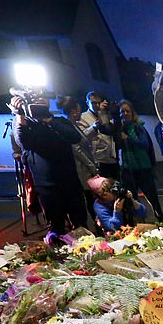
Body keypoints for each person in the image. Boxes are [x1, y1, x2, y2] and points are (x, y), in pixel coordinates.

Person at [11, 96, 88, 237]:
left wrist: (49, 120)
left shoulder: (60, 121)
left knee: (80, 224)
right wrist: (19, 114)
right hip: (46, 185)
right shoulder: (26, 124)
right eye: (35, 98)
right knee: (56, 229)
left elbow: (75, 137)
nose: (39, 101)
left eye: (42, 97)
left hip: (70, 181)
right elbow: (23, 142)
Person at [118, 100, 163, 222]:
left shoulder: (138, 127)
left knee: (151, 195)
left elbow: (144, 144)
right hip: (128, 168)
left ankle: (160, 216)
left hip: (143, 167)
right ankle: (139, 220)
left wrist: (128, 139)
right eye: (122, 111)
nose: (125, 113)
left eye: (127, 111)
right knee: (131, 197)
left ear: (132, 112)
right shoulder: (119, 129)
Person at [57, 95, 100, 230]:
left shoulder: (72, 125)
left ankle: (94, 227)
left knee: (89, 200)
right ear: (74, 110)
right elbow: (77, 149)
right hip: (81, 170)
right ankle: (91, 229)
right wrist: (92, 167)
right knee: (88, 201)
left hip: (83, 169)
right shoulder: (67, 126)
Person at [79, 91, 119, 180]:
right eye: (93, 103)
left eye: (98, 102)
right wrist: (94, 127)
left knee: (117, 189)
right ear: (87, 103)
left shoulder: (106, 114)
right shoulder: (82, 117)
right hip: (98, 160)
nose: (97, 105)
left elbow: (114, 131)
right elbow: (81, 137)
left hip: (112, 158)